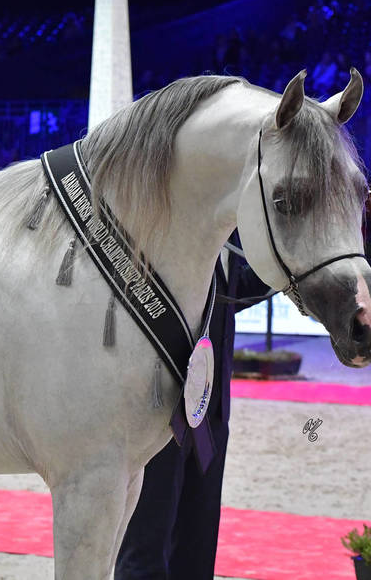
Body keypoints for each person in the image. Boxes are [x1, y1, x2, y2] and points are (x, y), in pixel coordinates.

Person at [115, 235, 270, 580]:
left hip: (211, 414)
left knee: (197, 551)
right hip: (160, 411)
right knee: (146, 549)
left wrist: (280, 261)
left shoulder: (232, 235)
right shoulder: (168, 221)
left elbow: (234, 292)